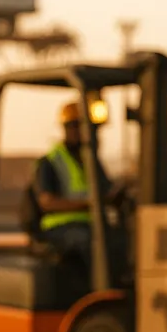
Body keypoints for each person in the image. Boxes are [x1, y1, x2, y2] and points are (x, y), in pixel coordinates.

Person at [34, 99, 121, 264]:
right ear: (69, 128)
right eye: (80, 127)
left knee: (122, 238)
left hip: (90, 223)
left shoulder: (91, 161)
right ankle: (96, 281)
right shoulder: (50, 161)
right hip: (60, 226)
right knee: (91, 242)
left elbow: (107, 190)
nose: (86, 133)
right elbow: (47, 202)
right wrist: (88, 204)